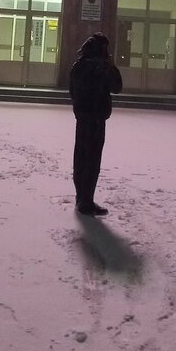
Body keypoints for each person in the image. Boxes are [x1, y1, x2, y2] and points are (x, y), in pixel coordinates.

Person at [69, 32, 123, 217]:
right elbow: (117, 87)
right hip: (96, 119)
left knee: (81, 158)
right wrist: (110, 64)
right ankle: (86, 202)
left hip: (82, 118)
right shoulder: (101, 67)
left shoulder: (78, 65)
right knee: (92, 160)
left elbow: (72, 92)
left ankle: (81, 198)